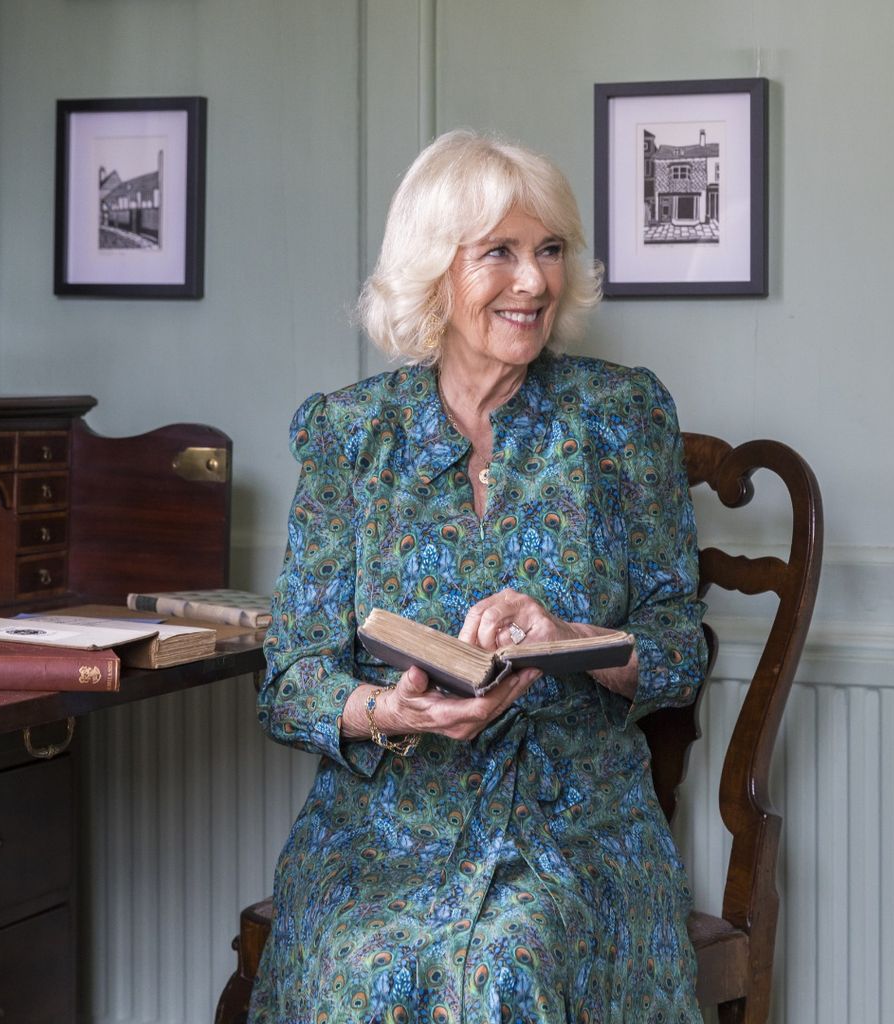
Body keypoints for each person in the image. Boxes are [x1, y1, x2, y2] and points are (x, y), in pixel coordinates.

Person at [250, 129, 708, 1024]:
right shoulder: (351, 435)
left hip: (575, 826)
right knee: (367, 969)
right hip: (389, 831)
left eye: (549, 251)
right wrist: (391, 712)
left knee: (511, 966)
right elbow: (289, 679)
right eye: (498, 252)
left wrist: (568, 640)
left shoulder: (622, 417)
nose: (534, 281)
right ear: (434, 271)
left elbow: (680, 648)